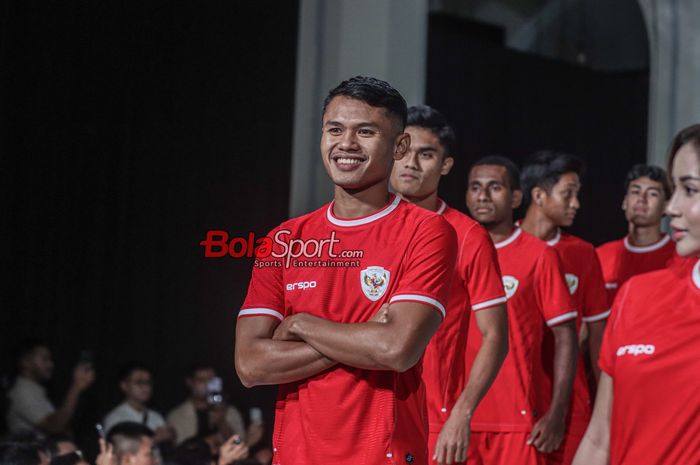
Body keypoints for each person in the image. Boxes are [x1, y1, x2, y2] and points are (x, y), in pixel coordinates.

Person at [234, 76, 458, 465]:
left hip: (385, 456)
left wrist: (301, 324)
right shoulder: (284, 240)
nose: (346, 144)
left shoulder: (427, 231)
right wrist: (363, 336)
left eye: (366, 131)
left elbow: (396, 349)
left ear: (399, 145)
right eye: (334, 129)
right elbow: (250, 365)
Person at [573, 125, 700, 465]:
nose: (672, 208)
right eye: (675, 189)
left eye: (690, 190)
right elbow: (599, 440)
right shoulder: (637, 295)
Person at [389, 105, 508, 465]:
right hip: (365, 409)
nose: (411, 163)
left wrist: (462, 413)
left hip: (433, 418)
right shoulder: (364, 228)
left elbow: (495, 336)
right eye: (404, 150)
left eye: (426, 154)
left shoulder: (468, 236)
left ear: (445, 165)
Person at [465, 156, 578, 465]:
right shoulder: (453, 249)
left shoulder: (539, 255)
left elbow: (566, 336)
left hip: (517, 422)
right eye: (475, 187)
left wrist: (558, 411)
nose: (483, 195)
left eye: (494, 187)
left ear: (516, 197)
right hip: (458, 417)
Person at [519, 151, 609, 465]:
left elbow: (598, 337)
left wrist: (604, 407)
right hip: (515, 401)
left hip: (571, 404)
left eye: (577, 195)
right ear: (539, 195)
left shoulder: (583, 254)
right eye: (568, 194)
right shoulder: (499, 245)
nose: (576, 204)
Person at [596, 164, 676, 305]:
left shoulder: (679, 257)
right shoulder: (600, 256)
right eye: (635, 192)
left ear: (666, 207)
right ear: (625, 202)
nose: (642, 199)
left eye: (652, 194)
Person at [6, 341, 94, 436]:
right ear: (25, 362)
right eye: (44, 359)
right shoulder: (22, 391)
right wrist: (76, 387)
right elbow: (55, 426)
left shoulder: (34, 390)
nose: (50, 364)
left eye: (50, 360)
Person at [166, 365, 262, 447]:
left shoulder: (230, 412)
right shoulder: (177, 416)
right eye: (201, 380)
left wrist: (222, 422)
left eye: (211, 380)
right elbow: (178, 453)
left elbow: (238, 445)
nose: (207, 384)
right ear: (190, 382)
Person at [103, 364, 174, 444]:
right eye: (139, 382)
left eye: (148, 382)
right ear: (124, 386)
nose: (145, 387)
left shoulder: (156, 416)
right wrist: (154, 439)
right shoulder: (115, 418)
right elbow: (119, 449)